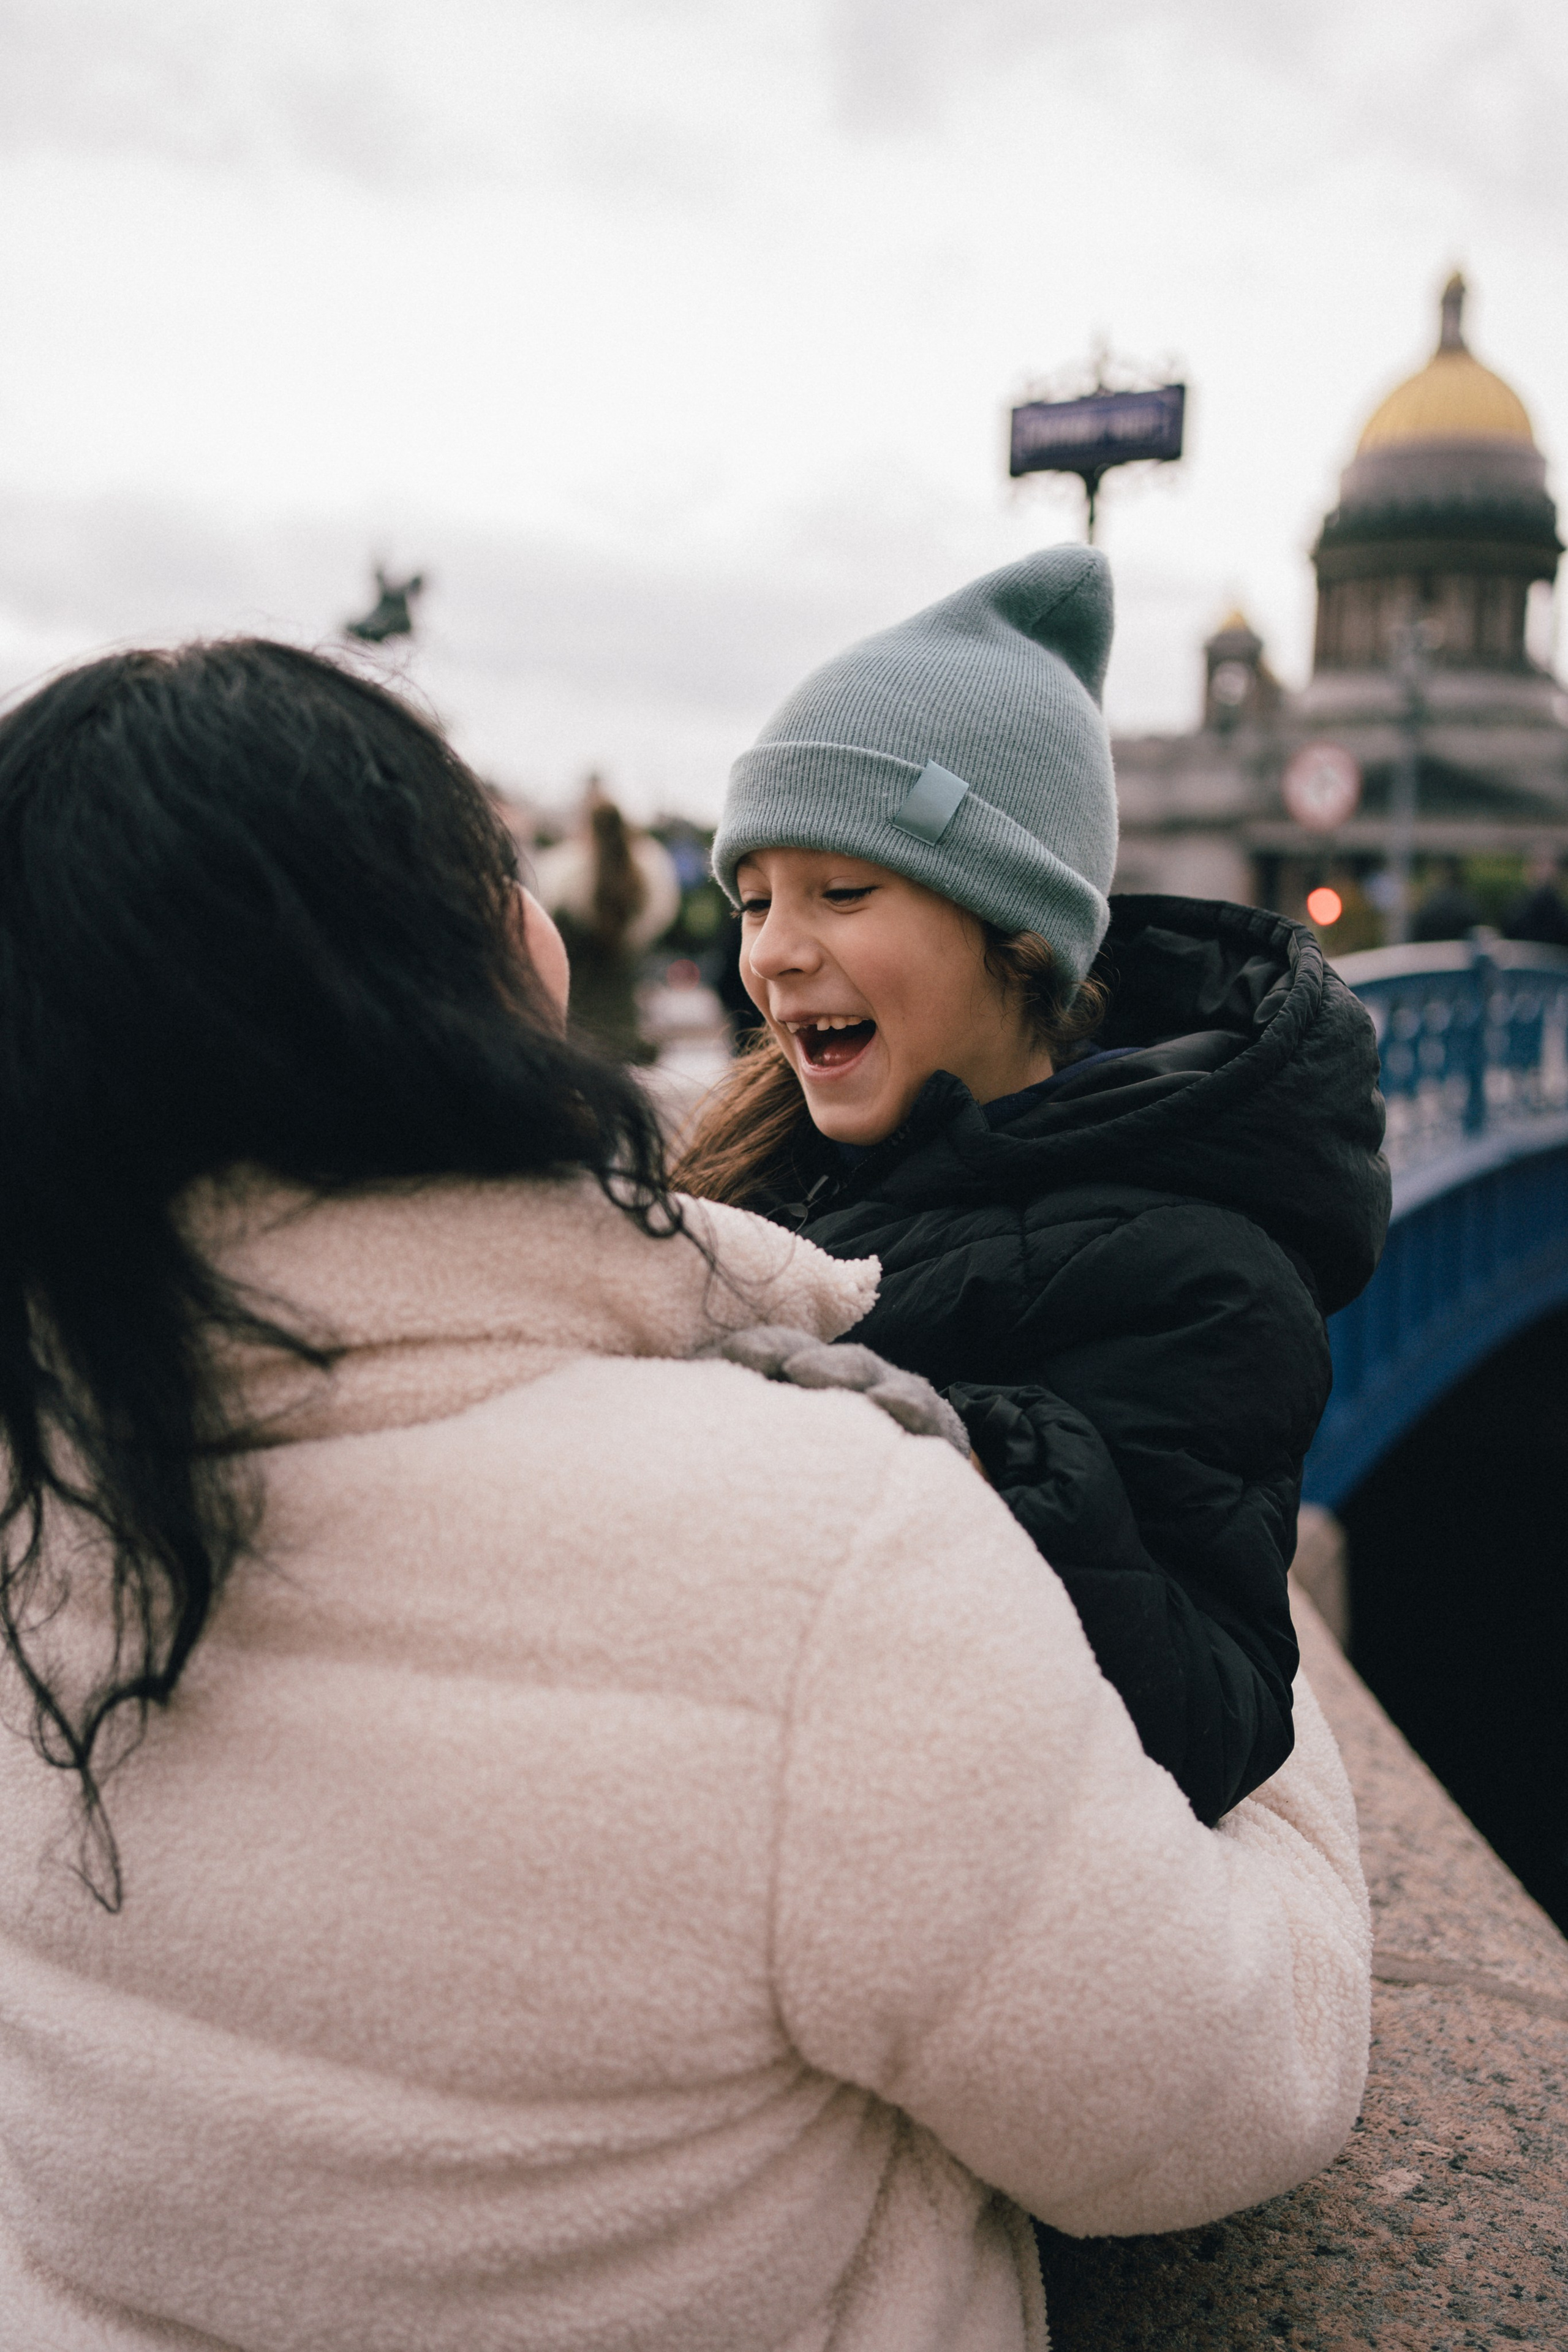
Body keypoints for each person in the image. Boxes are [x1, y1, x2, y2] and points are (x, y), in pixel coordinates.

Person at [0, 640, 1370, 2352]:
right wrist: (1298, 1702)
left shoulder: (49, 1477)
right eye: (500, 857)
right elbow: (1227, 2088)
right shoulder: (825, 1549)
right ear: (452, 959)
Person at [677, 545, 1392, 1828]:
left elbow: (1212, 1725)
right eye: (751, 901)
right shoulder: (753, 1168)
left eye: (841, 891)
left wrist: (971, 1455)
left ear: (1014, 930)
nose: (776, 952)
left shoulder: (1203, 1277)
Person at [531, 780, 680, 1063]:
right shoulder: (648, 869)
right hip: (623, 1019)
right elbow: (661, 916)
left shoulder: (564, 871)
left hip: (579, 1021)